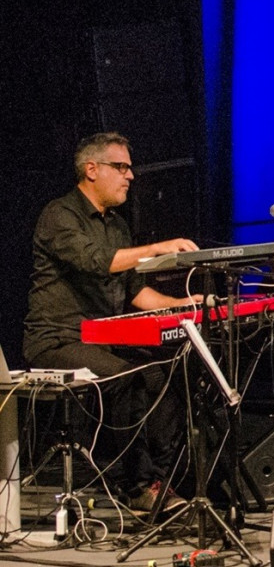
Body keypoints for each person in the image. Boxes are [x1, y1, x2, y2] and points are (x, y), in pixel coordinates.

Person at [24, 132, 200, 515]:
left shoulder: (117, 225)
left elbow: (135, 291)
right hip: (56, 339)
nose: (130, 176)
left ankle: (161, 482)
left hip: (101, 339)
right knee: (125, 377)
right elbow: (96, 261)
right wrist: (156, 248)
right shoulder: (59, 215)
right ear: (92, 169)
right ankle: (131, 485)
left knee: (163, 375)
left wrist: (182, 306)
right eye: (121, 167)